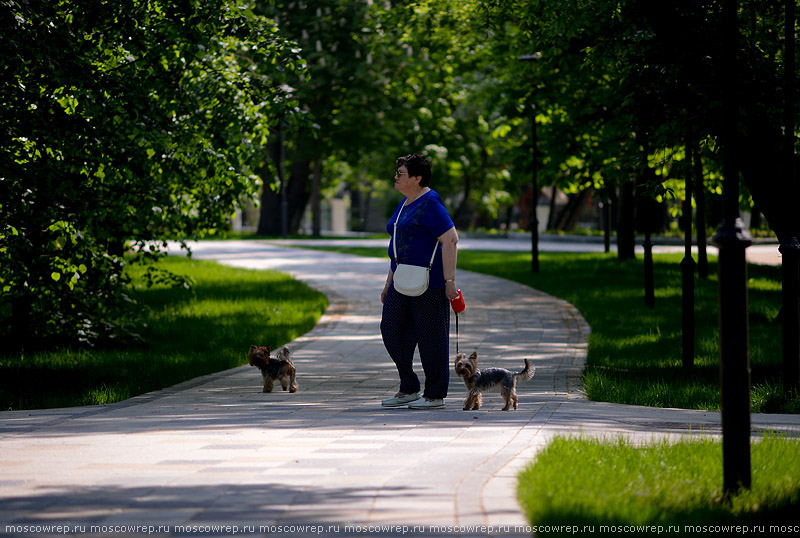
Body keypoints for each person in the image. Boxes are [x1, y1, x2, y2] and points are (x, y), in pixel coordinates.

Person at [380, 154, 459, 409]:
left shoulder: (430, 202)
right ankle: (409, 385)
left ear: (417, 177)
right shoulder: (404, 203)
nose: (396, 177)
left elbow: (451, 239)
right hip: (401, 279)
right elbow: (397, 247)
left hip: (430, 281)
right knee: (390, 329)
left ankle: (435, 394)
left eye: (401, 173)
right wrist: (388, 282)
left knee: (431, 338)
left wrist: (449, 280)